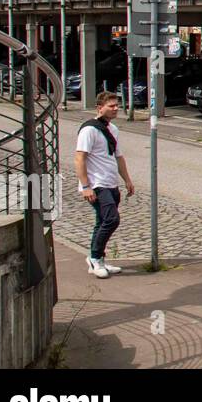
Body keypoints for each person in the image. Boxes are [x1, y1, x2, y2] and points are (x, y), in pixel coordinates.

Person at [74, 91, 135, 279]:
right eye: (111, 106)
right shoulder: (89, 130)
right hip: (96, 184)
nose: (116, 109)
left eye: (117, 105)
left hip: (111, 183)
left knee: (101, 221)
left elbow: (118, 156)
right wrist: (86, 186)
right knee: (111, 220)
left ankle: (97, 258)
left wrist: (127, 180)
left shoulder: (112, 129)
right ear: (99, 108)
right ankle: (94, 257)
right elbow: (79, 158)